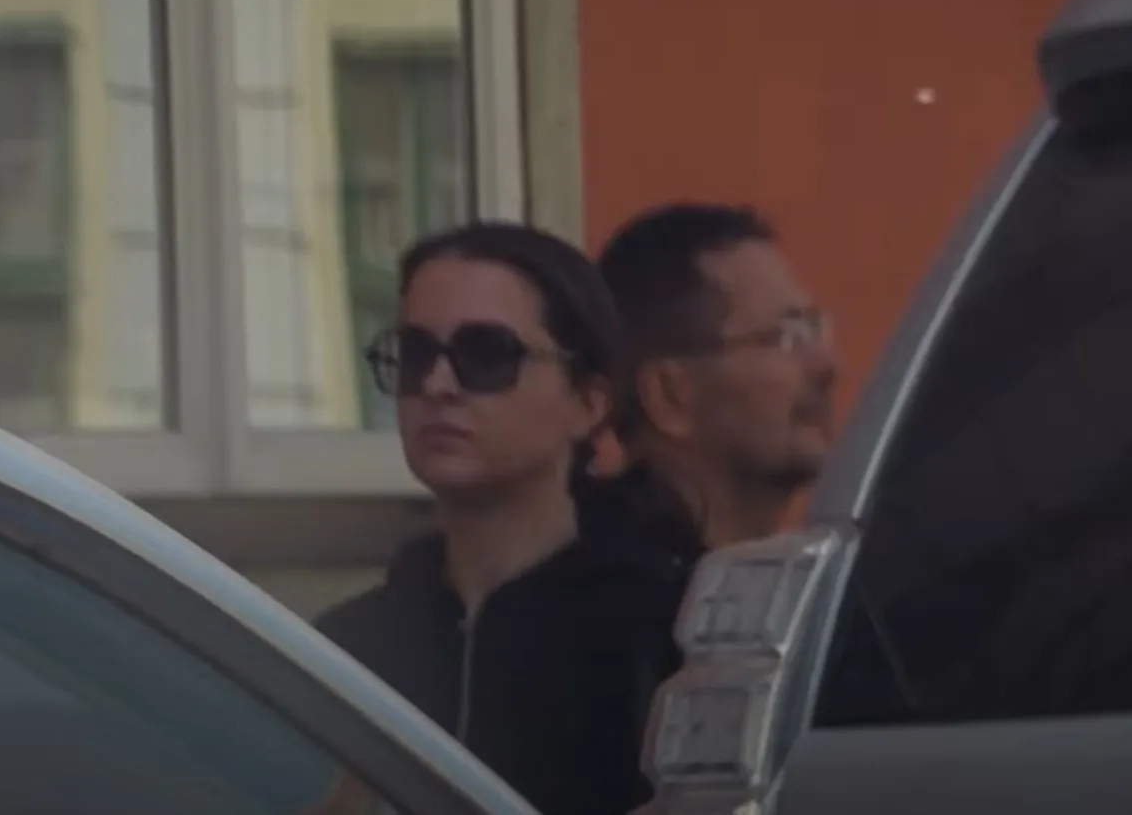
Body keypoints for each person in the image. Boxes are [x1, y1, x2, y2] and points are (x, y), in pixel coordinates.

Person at [314, 222, 686, 815]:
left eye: (486, 354)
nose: (438, 386)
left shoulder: (665, 639)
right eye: (415, 355)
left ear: (588, 403)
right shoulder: (345, 649)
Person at [596, 202, 840, 551]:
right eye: (786, 337)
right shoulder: (597, 581)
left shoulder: (821, 575)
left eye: (814, 330)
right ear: (668, 395)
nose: (828, 367)